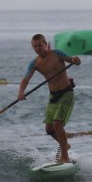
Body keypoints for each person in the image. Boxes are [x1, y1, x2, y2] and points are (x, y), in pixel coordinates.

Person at [18, 34, 81, 163]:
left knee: (57, 124)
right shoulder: (35, 63)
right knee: (49, 129)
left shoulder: (56, 53)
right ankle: (65, 145)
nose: (37, 48)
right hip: (53, 96)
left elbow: (71, 59)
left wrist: (76, 59)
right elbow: (25, 79)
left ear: (45, 44)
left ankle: (65, 156)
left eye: (40, 45)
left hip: (66, 93)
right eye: (34, 46)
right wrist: (21, 92)